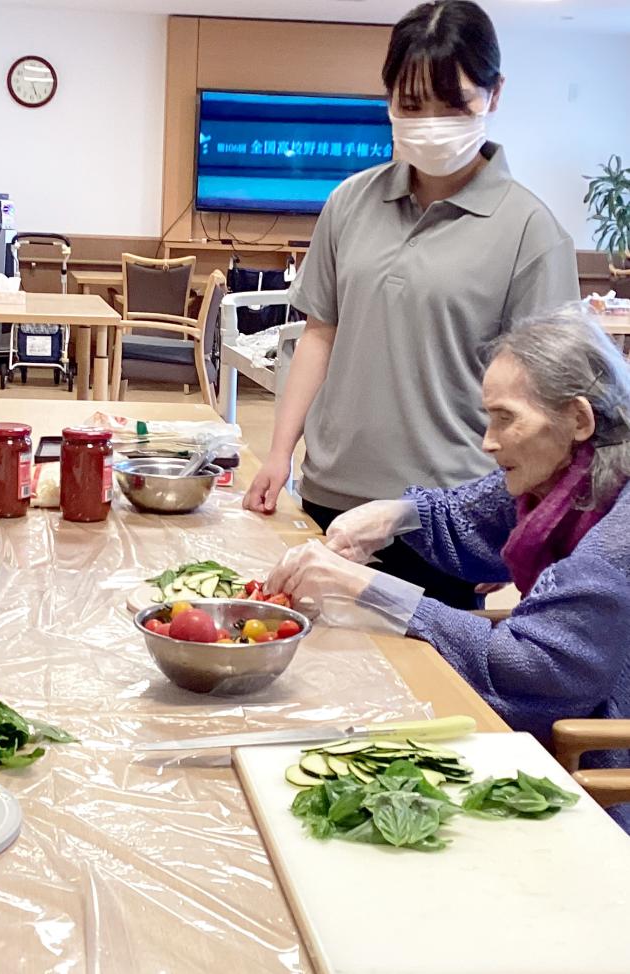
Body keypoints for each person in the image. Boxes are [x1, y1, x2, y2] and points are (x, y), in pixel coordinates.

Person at [243, 0, 579, 611]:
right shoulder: (349, 202)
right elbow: (319, 334)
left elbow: (548, 407)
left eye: (454, 107)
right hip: (331, 495)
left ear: (494, 94)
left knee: (423, 698)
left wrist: (521, 527)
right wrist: (278, 453)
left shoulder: (531, 231)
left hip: (445, 520)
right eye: (411, 105)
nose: (429, 124)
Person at [265, 308, 630, 827]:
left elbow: (526, 672)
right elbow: (479, 508)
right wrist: (391, 516)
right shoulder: (581, 474)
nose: (488, 440)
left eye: (505, 418)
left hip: (603, 780)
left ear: (578, 419)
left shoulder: (611, 552)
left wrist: (365, 586)